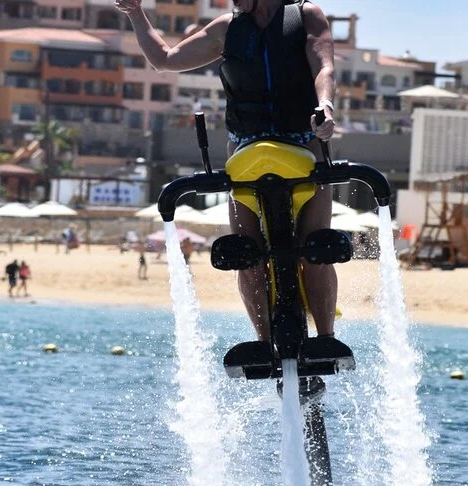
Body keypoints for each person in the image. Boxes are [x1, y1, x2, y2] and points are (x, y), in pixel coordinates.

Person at [117, 0, 338, 348]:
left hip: (305, 143)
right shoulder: (226, 28)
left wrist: (324, 106)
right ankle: (264, 343)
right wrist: (135, 13)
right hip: (246, 153)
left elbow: (323, 68)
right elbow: (164, 60)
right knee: (246, 256)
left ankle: (326, 338)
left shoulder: (306, 16)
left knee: (315, 252)